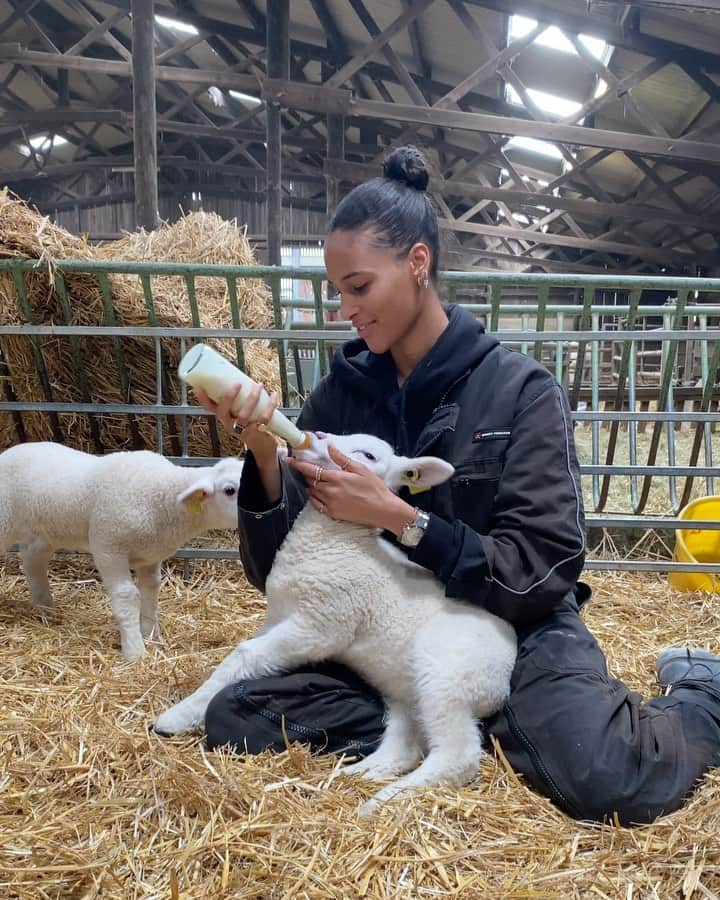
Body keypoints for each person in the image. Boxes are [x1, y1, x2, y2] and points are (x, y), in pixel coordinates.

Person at [193, 146, 720, 826]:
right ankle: (468, 725)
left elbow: (547, 564)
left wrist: (400, 520)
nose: (343, 310)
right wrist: (263, 453)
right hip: (387, 629)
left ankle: (701, 694)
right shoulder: (337, 402)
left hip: (516, 621)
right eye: (337, 293)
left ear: (417, 265)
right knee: (240, 717)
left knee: (607, 777)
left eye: (358, 288)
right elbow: (278, 576)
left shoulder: (520, 390)